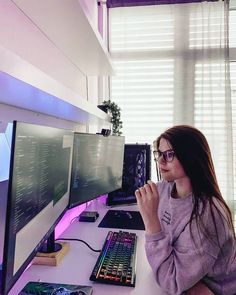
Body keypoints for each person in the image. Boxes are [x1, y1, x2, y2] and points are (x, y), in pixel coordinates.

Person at [135, 125, 236, 295]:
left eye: (170, 155)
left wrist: (151, 221)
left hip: (211, 289)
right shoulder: (166, 188)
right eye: (159, 154)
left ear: (191, 157)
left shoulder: (209, 214)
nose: (160, 161)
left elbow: (172, 282)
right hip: (190, 280)